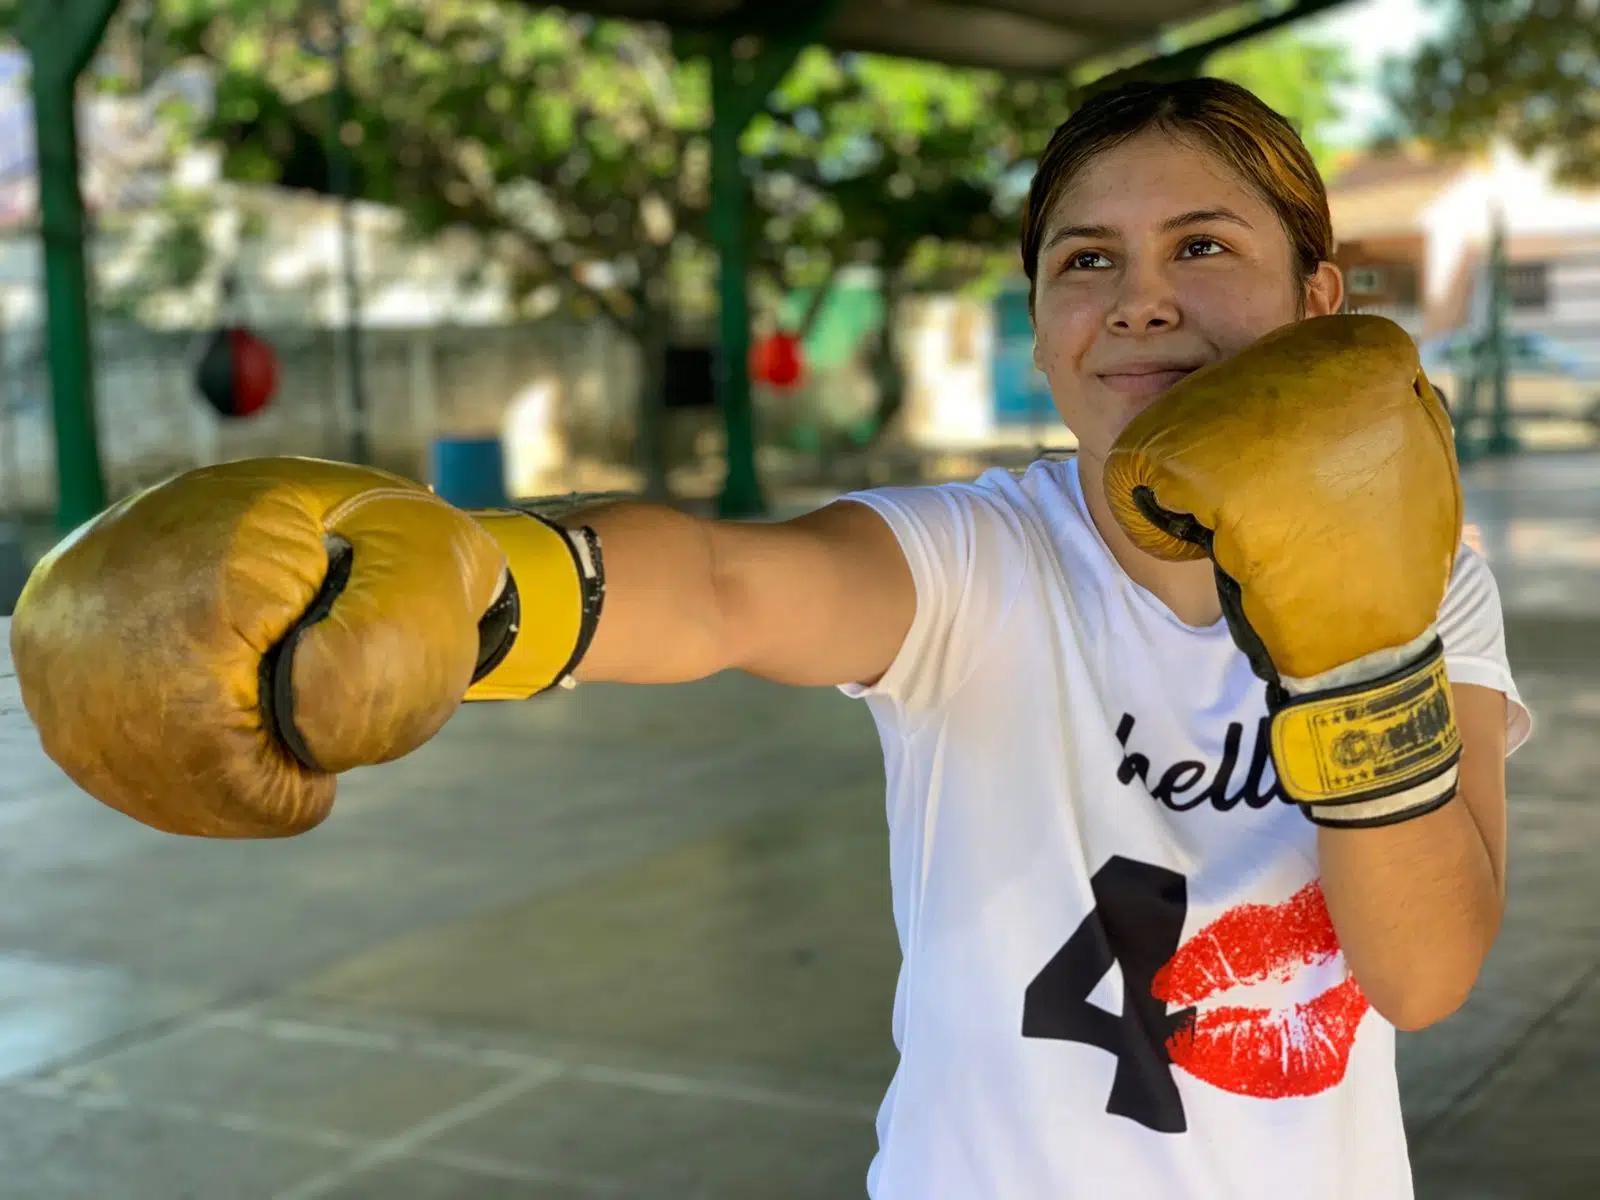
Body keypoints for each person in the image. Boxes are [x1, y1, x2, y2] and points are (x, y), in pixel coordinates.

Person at [12, 78, 1531, 1199]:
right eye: (1086, 260)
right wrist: (481, 586)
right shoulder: (983, 559)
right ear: (1040, 315)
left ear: (1320, 298)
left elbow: (1423, 975)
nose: (1140, 301)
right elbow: (732, 587)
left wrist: (1358, 649)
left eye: (1205, 247)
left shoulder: (1436, 585)